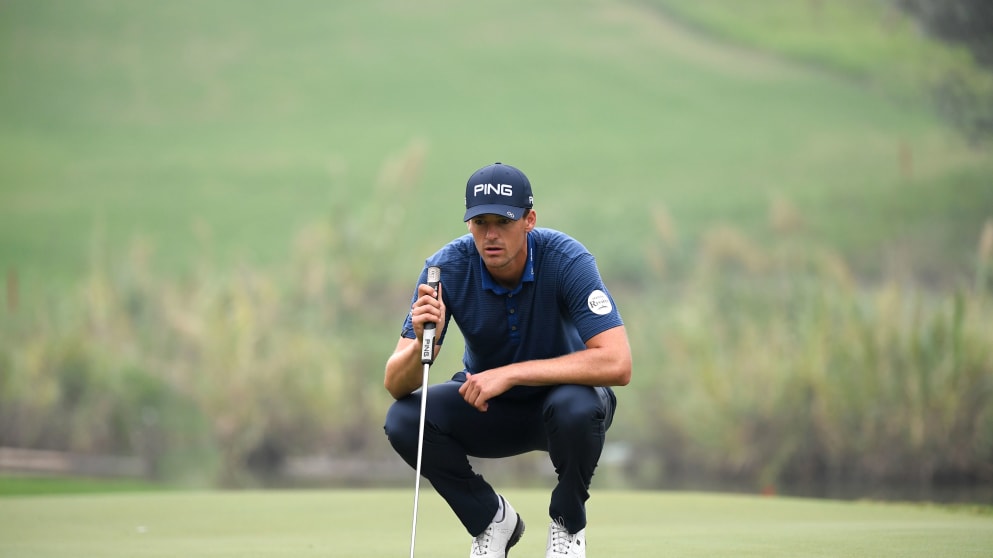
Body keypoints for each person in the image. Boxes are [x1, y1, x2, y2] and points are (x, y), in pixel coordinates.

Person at [383, 162, 632, 558]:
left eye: (504, 220)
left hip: (562, 407)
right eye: (480, 222)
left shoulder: (567, 259)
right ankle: (491, 521)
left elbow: (618, 363)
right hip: (489, 408)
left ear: (529, 220)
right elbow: (396, 383)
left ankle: (567, 526)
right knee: (403, 419)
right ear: (468, 225)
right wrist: (417, 344)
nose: (491, 234)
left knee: (578, 406)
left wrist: (510, 374)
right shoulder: (444, 269)